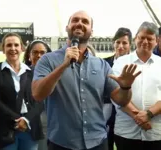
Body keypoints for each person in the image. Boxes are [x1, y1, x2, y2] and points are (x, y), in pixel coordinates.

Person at [32, 10, 141, 150]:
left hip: (97, 142)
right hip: (62, 143)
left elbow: (121, 100)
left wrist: (126, 88)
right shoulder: (48, 60)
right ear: (67, 27)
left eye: (85, 21)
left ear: (91, 31)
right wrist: (64, 65)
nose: (79, 23)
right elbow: (37, 94)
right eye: (75, 20)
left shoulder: (101, 65)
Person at [0, 33, 44, 150]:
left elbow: (39, 100)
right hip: (4, 128)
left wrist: (26, 119)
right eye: (9, 45)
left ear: (22, 48)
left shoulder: (32, 73)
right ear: (3, 49)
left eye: (16, 45)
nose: (13, 48)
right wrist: (18, 119)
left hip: (29, 127)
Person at [112, 22, 161, 150]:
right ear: (135, 39)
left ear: (157, 41)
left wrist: (149, 114)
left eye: (150, 39)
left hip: (156, 133)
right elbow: (115, 93)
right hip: (127, 133)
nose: (145, 41)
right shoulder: (120, 62)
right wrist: (139, 118)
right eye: (141, 37)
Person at [103, 27, 132, 150]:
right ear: (113, 43)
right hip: (106, 112)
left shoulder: (134, 65)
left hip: (128, 114)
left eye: (124, 43)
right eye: (118, 42)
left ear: (130, 45)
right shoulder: (104, 63)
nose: (120, 46)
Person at [23, 40, 52, 150]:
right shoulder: (23, 73)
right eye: (35, 52)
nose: (39, 55)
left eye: (42, 52)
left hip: (50, 121)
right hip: (29, 121)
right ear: (29, 55)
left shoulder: (54, 73)